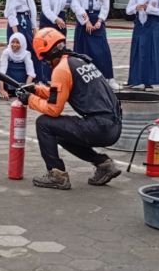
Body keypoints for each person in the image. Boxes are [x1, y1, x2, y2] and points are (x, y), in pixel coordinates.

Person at [19, 27, 121, 190]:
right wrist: (36, 90)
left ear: (48, 54)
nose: (45, 63)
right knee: (59, 132)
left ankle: (57, 175)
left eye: (45, 59)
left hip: (99, 127)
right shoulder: (78, 60)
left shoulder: (61, 69)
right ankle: (103, 164)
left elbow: (54, 109)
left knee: (44, 123)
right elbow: (60, 92)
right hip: (113, 125)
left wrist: (29, 99)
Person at [71, 0, 116, 87]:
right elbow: (76, 5)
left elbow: (105, 6)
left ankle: (107, 78)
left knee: (101, 50)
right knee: (83, 50)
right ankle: (81, 81)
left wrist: (100, 20)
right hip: (83, 19)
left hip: (97, 19)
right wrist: (86, 21)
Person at [4, 0, 41, 77]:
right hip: (18, 24)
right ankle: (13, 79)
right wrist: (16, 33)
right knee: (17, 49)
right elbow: (11, 12)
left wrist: (34, 27)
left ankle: (31, 77)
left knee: (30, 49)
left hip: (26, 22)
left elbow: (32, 9)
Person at [39, 0, 73, 83]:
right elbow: (46, 9)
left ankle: (59, 77)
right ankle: (45, 78)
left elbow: (73, 3)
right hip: (48, 20)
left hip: (61, 19)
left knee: (60, 49)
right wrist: (56, 19)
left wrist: (83, 14)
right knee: (46, 49)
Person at [0, 32, 35, 99]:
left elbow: (31, 73)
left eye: (17, 42)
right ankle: (8, 90)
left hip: (21, 83)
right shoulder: (7, 52)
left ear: (22, 43)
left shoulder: (26, 54)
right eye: (13, 42)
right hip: (9, 82)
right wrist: (1, 90)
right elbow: (1, 72)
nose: (14, 45)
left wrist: (25, 90)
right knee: (0, 67)